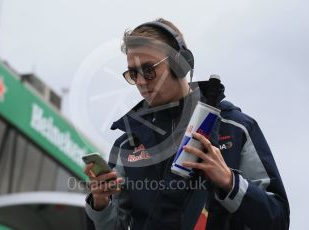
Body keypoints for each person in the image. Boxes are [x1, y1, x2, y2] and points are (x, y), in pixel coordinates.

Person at [84, 18, 290, 230]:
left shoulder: (234, 127)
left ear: (181, 64)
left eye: (149, 70)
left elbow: (278, 220)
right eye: (133, 74)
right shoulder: (126, 146)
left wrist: (230, 182)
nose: (141, 82)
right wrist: (101, 205)